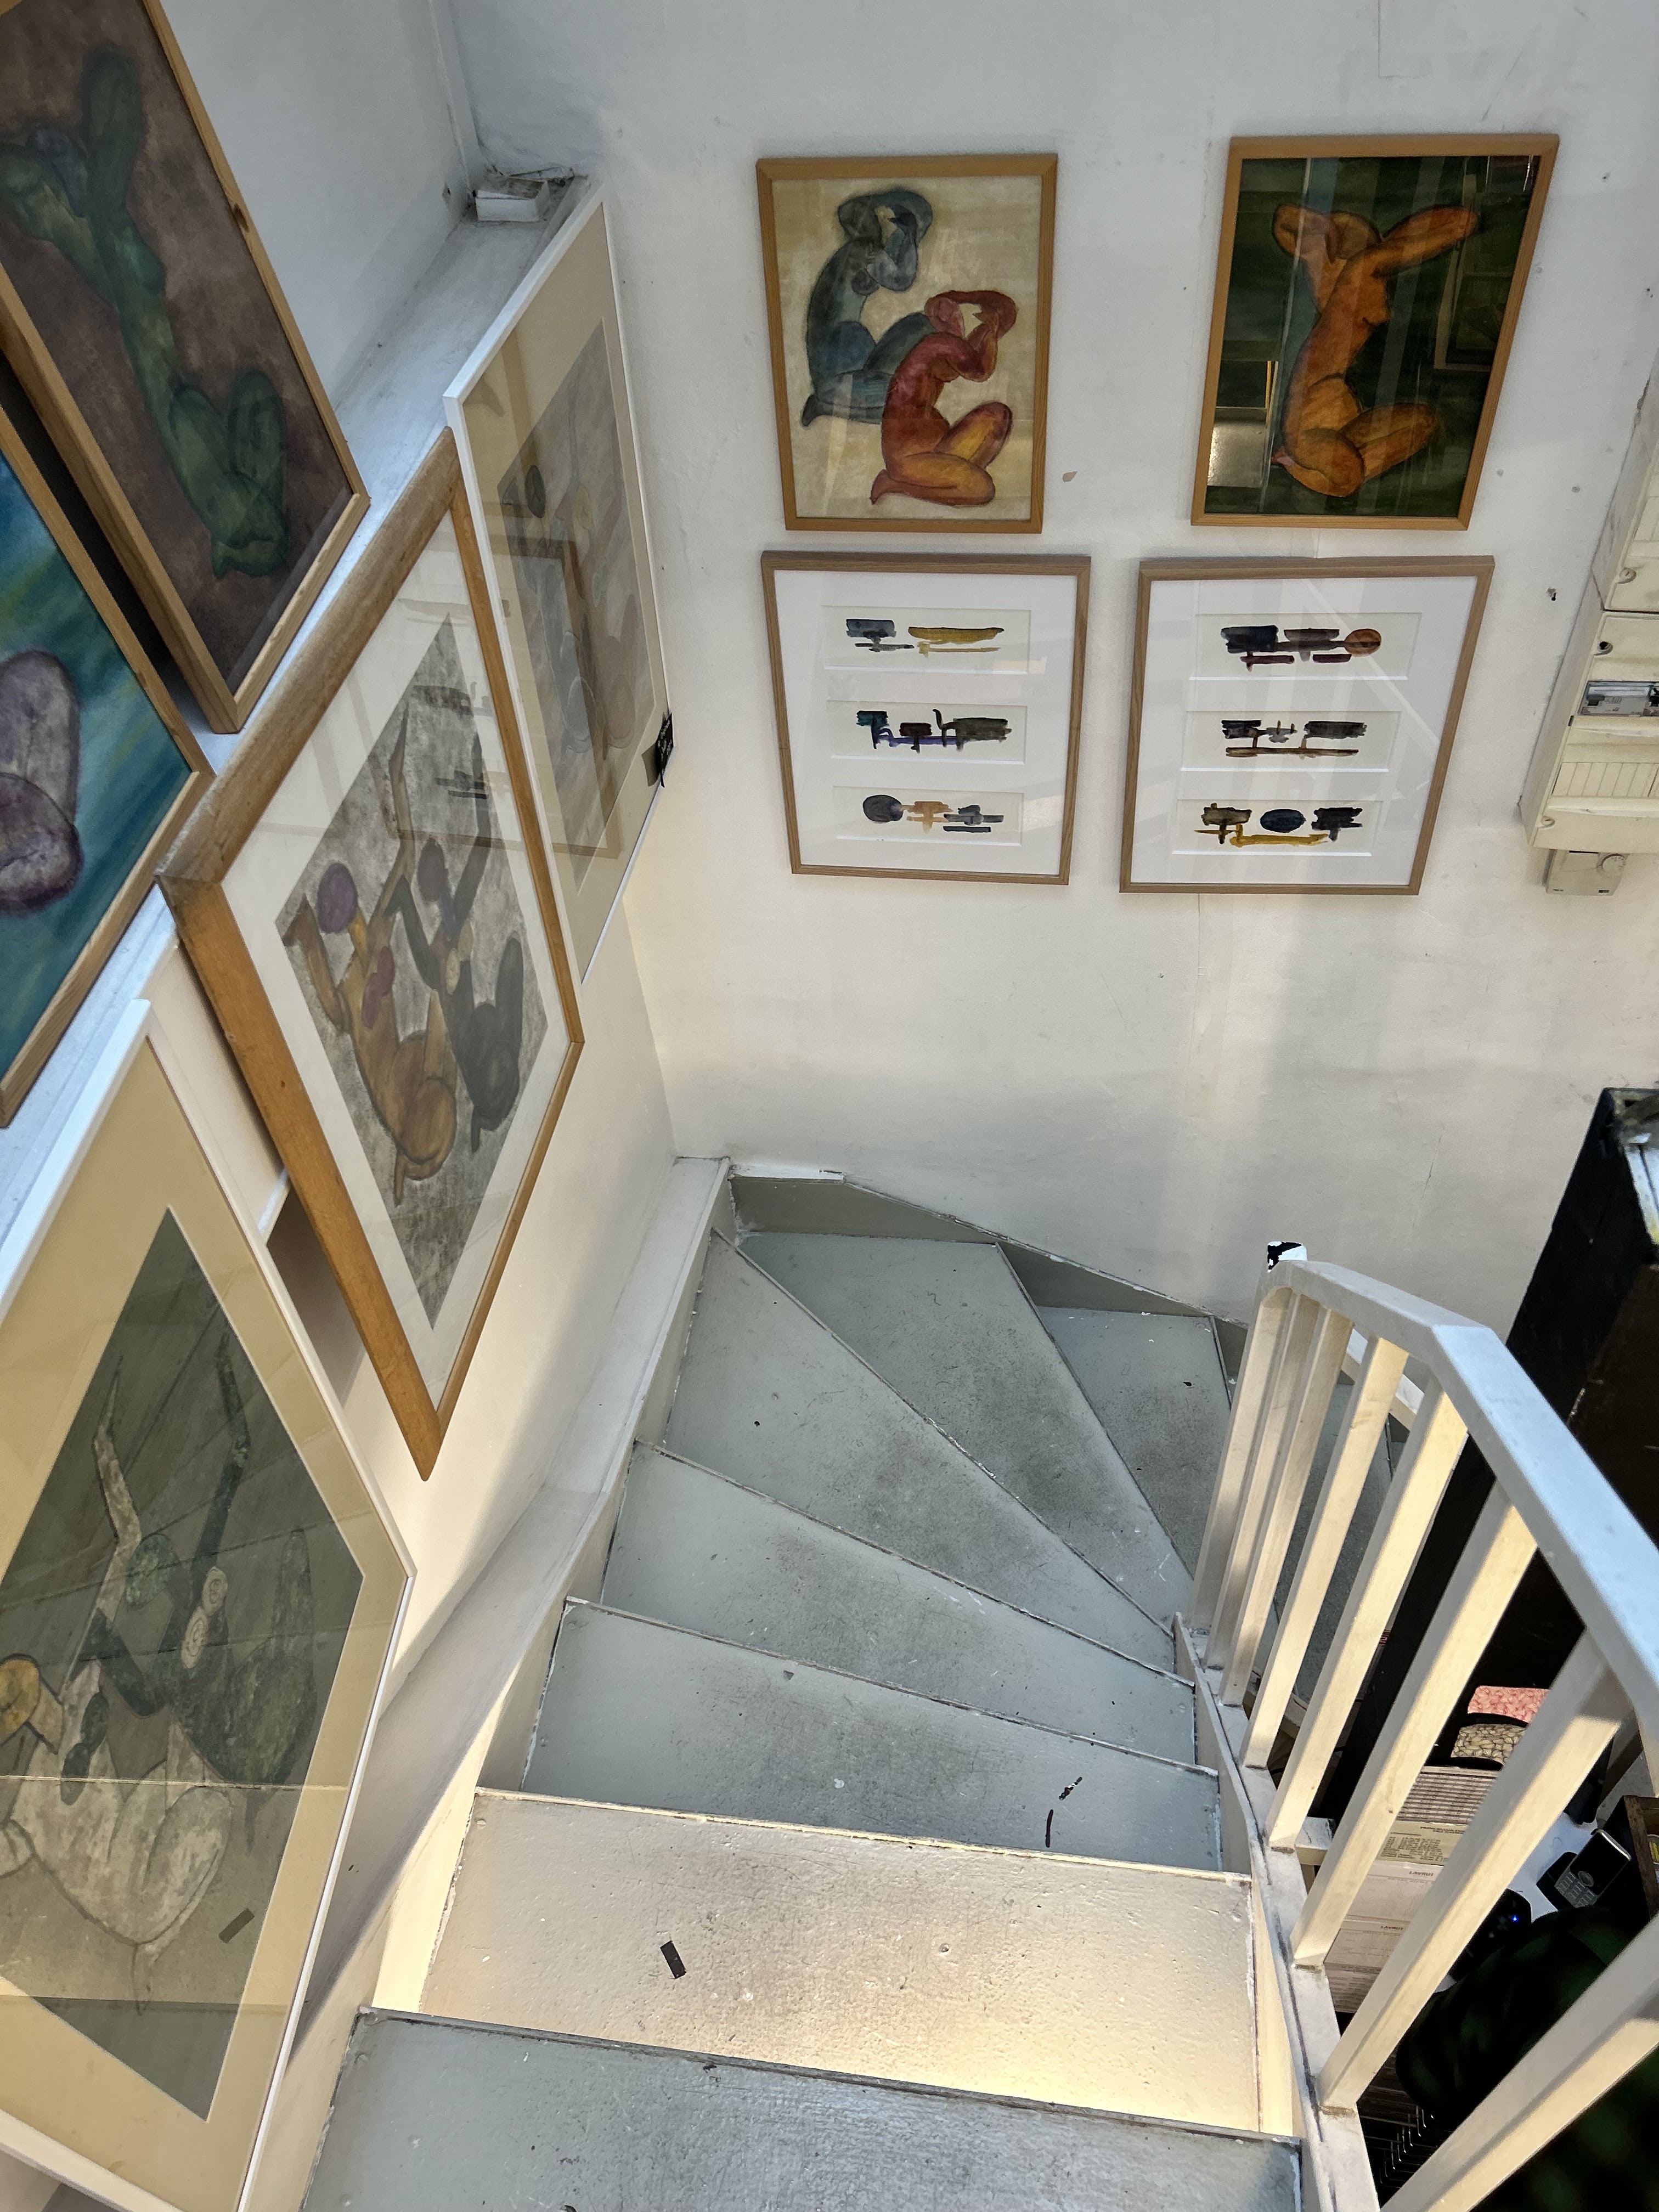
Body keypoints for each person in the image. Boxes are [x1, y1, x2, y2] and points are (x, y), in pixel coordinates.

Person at [282, 717, 458, 1200]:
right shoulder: (372, 949)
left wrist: (398, 779)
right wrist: (397, 779)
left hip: (378, 1022)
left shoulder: (363, 969)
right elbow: (406, 855)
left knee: (373, 1002)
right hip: (377, 1009)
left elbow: (407, 856)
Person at [1271, 201, 1480, 499]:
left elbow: (1408, 242)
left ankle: (1296, 465)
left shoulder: (1351, 294)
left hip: (1325, 427)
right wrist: (1456, 231)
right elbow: (1457, 225)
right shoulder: (1359, 275)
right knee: (1350, 476)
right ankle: (1297, 464)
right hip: (1308, 437)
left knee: (1422, 424)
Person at [386, 733, 526, 1153]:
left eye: (437, 870)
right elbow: (484, 840)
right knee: (477, 963)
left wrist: (407, 905)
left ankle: (484, 1114)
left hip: (466, 1002)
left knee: (445, 975)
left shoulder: (462, 1017)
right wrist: (480, 771)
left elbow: (484, 840)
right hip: (468, 991)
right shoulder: (453, 927)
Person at [799, 188, 935, 427]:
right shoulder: (863, 251)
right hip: (838, 371)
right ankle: (826, 404)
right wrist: (909, 235)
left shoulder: (854, 251)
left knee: (924, 324)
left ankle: (829, 403)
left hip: (844, 360)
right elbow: (901, 280)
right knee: (907, 394)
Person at [870, 290, 1017, 509]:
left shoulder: (941, 347)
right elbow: (980, 371)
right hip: (909, 461)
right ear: (946, 316)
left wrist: (988, 325)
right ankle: (895, 484)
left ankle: (954, 482)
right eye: (955, 312)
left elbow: (972, 351)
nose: (960, 319)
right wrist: (991, 331)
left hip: (936, 447)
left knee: (998, 415)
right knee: (983, 489)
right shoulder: (939, 343)